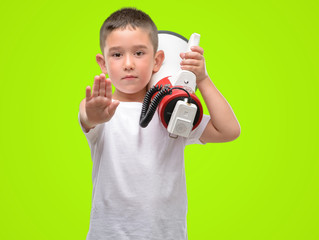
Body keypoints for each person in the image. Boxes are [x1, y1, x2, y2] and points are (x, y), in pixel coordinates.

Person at [79, 7, 240, 240]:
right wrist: (94, 115)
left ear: (157, 61)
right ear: (103, 64)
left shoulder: (172, 109)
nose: (128, 64)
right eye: (116, 55)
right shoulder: (100, 108)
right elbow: (87, 116)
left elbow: (229, 130)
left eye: (139, 53)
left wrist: (202, 79)